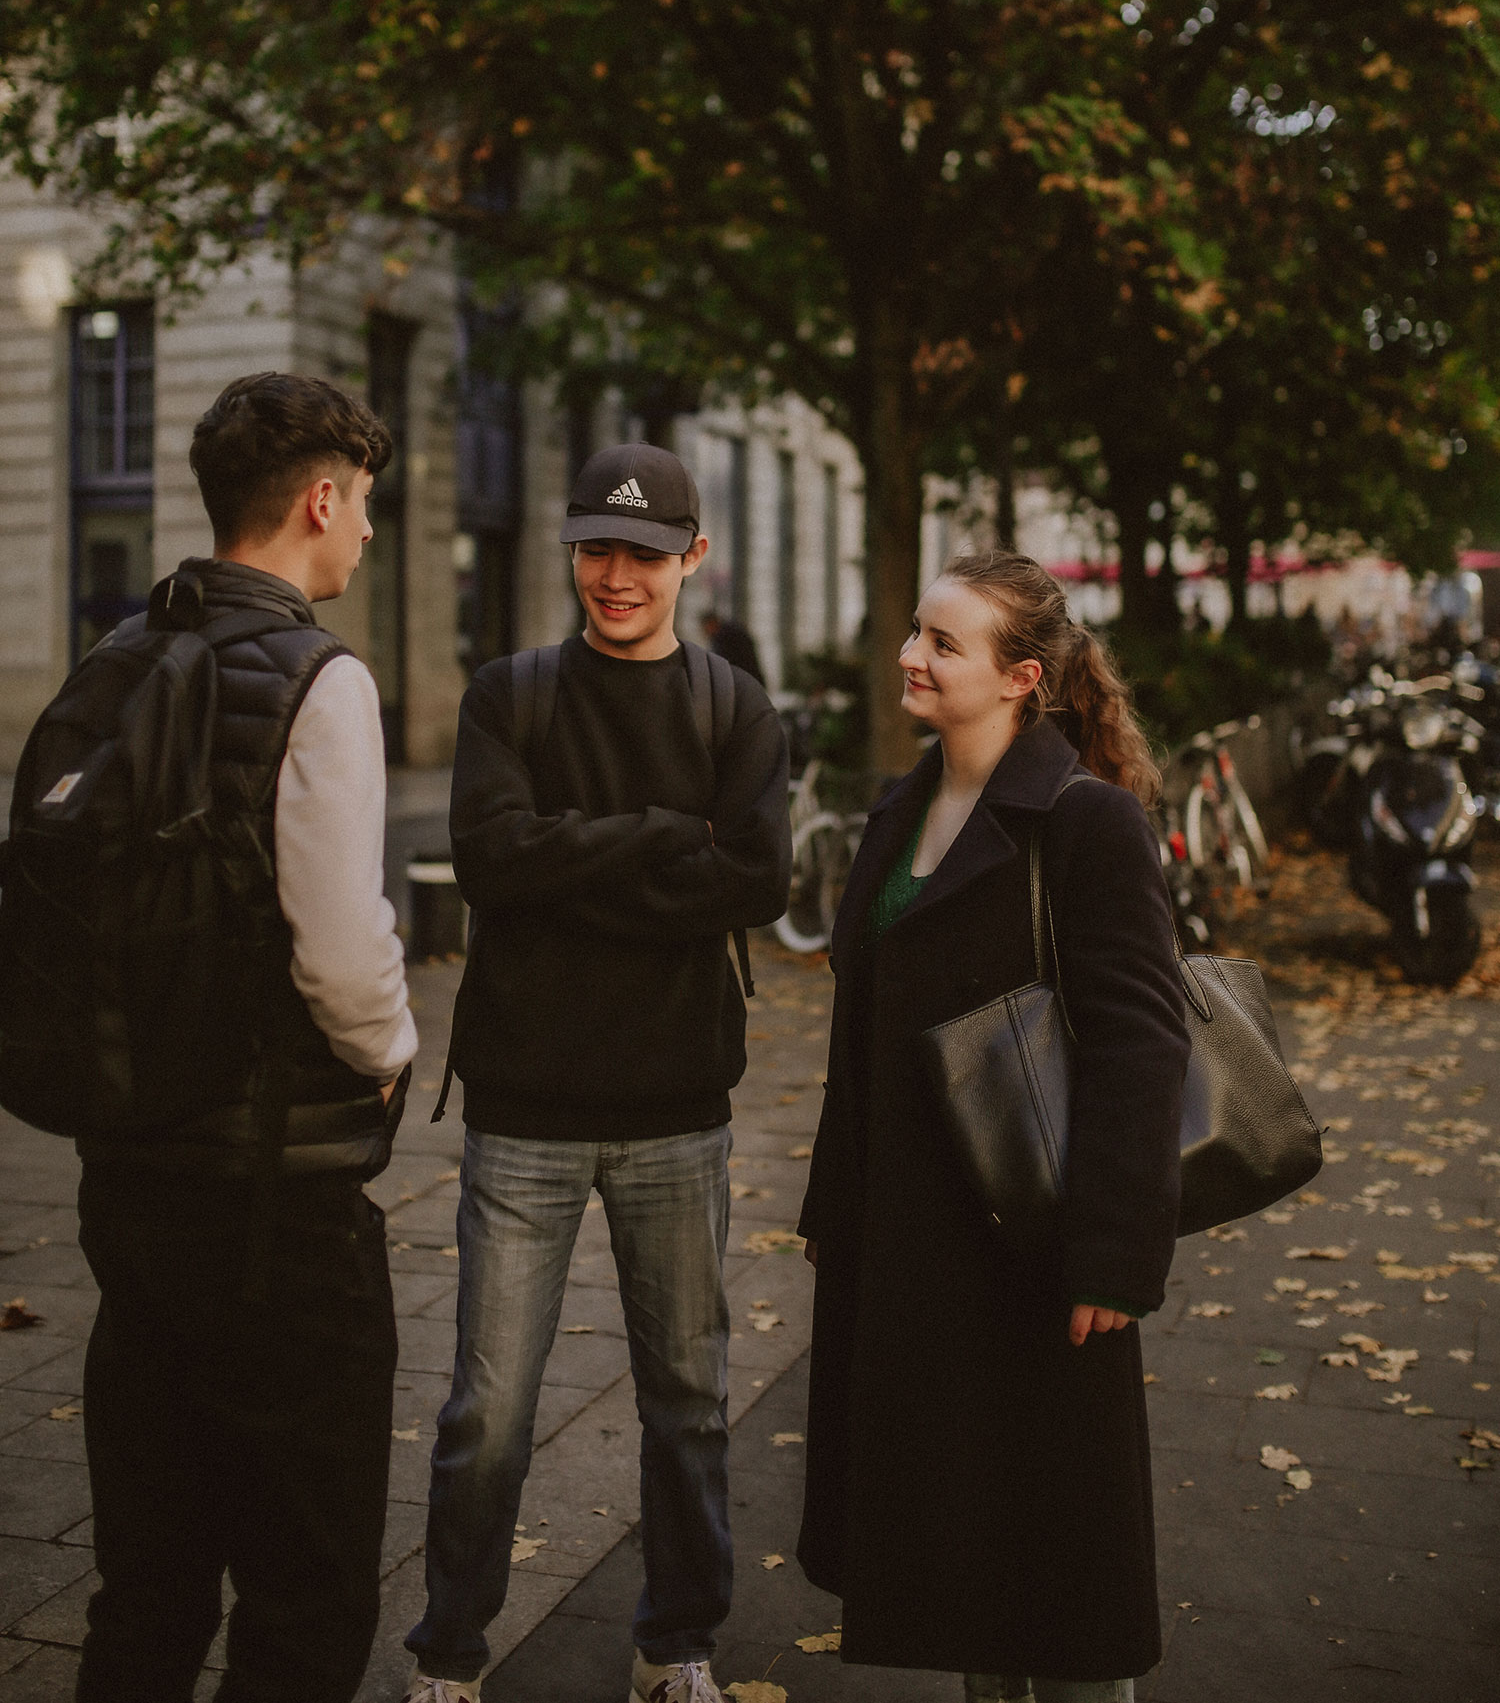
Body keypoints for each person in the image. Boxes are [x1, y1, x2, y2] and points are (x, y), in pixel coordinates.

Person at [404, 443, 792, 1703]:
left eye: (640, 552)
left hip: (679, 1113)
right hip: (522, 1111)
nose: (614, 575)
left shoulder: (734, 708)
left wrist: (577, 866)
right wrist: (666, 847)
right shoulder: (510, 694)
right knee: (486, 1414)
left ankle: (676, 1648)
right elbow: (492, 860)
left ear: (693, 555)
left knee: (689, 1401)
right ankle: (449, 1659)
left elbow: (758, 880)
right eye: (594, 549)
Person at [74, 373, 418, 1703]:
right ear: (322, 499)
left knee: (146, 1584)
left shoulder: (120, 653)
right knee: (304, 1592)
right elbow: (340, 956)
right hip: (280, 1206)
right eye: (367, 506)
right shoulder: (318, 680)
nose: (371, 536)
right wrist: (389, 1051)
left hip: (131, 1173)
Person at [796, 549, 1189, 1703]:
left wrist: (1117, 1253)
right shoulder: (898, 811)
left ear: (1022, 678)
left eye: (942, 643)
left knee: (1060, 1584)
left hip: (1040, 1257)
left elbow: (1140, 1046)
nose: (911, 657)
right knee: (961, 1564)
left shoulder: (1087, 824)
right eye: (916, 633)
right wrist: (835, 1206)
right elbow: (856, 1037)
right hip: (915, 1255)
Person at [701, 607, 768, 687]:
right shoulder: (723, 634)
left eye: (706, 628)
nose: (705, 632)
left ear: (711, 623)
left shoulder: (726, 636)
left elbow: (726, 661)